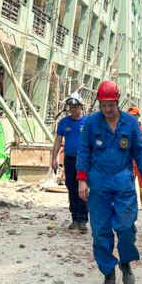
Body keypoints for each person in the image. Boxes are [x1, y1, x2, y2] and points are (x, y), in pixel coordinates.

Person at [77, 81, 142, 284]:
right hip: (98, 184)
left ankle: (126, 262)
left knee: (126, 227)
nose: (107, 110)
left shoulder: (130, 123)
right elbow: (83, 151)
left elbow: (139, 153)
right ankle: (108, 274)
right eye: (103, 105)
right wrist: (82, 180)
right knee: (100, 232)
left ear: (117, 102)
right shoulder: (91, 123)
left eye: (111, 105)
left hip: (123, 183)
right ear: (99, 104)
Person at [51, 93, 88, 232]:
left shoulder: (87, 123)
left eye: (75, 106)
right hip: (70, 160)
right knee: (71, 187)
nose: (73, 109)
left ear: (81, 107)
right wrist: (53, 159)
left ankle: (83, 220)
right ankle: (75, 218)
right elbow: (58, 142)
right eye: (71, 107)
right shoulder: (64, 123)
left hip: (84, 161)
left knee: (83, 189)